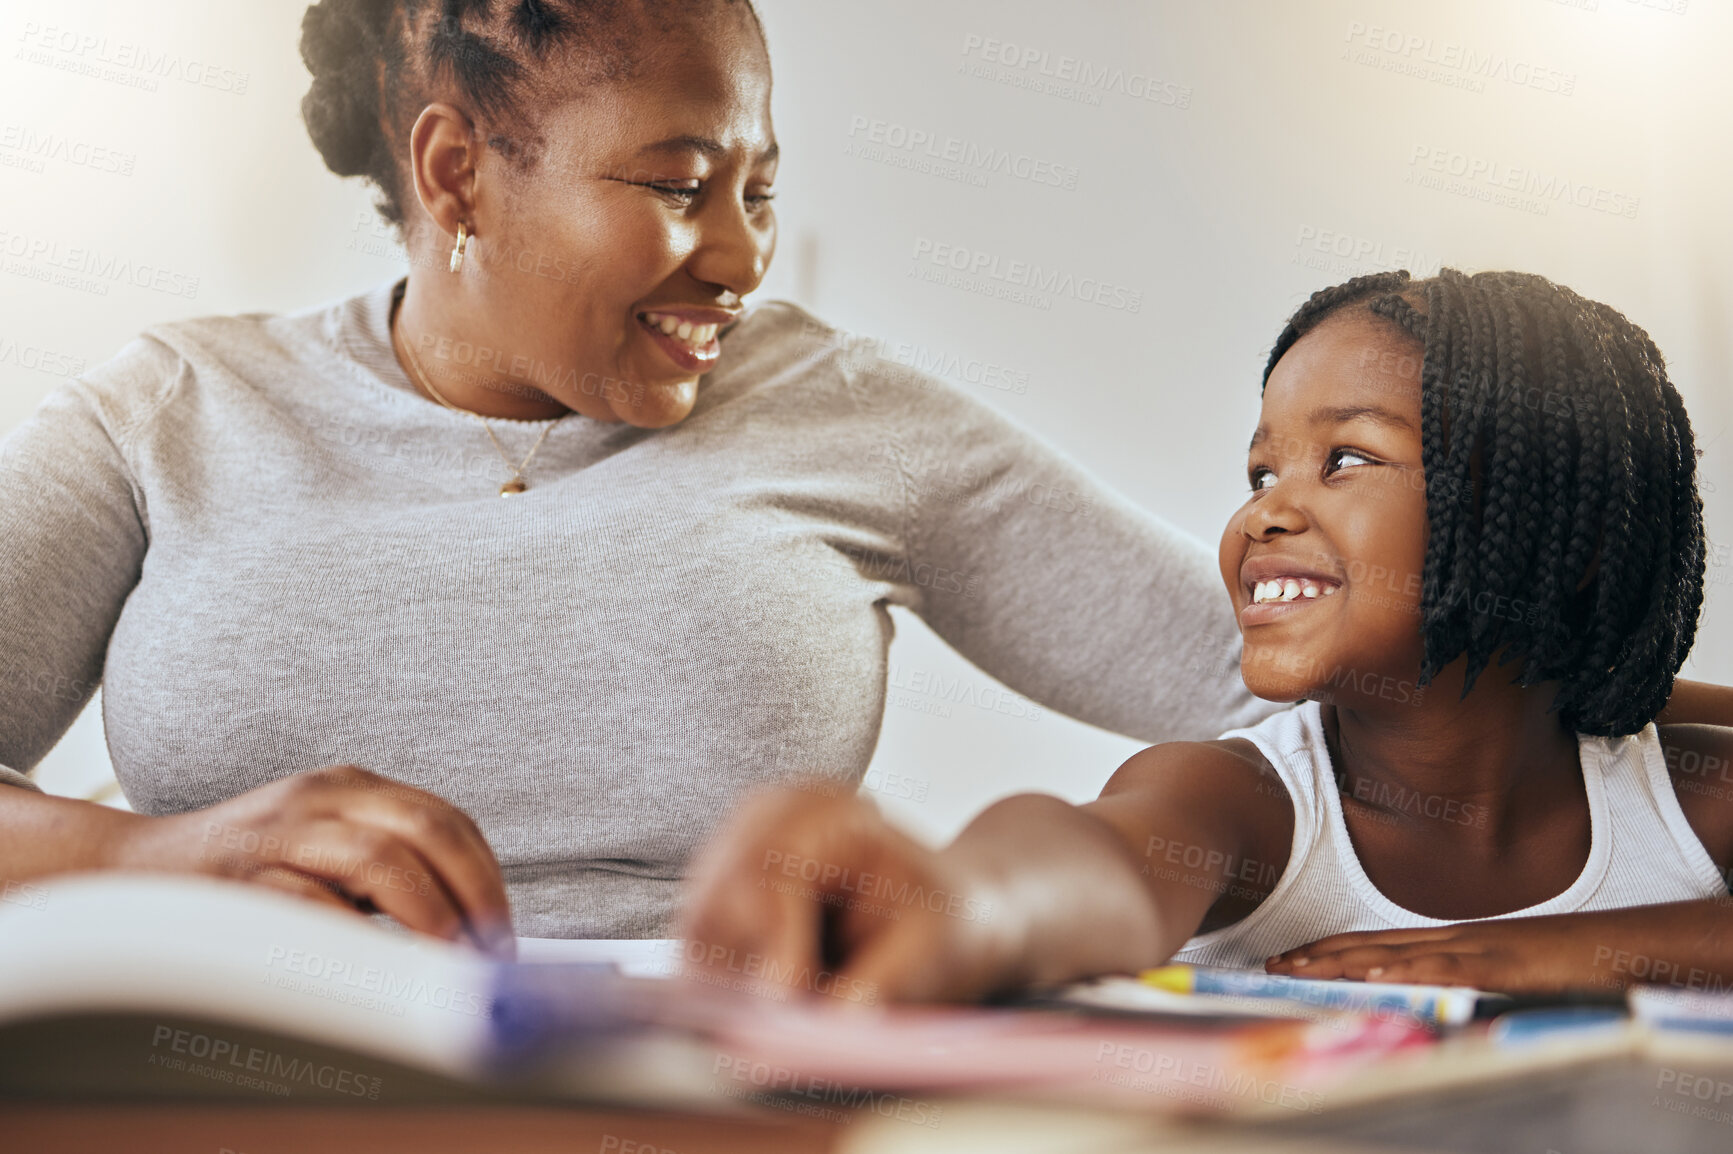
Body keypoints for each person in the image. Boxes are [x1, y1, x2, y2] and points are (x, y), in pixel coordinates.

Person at [0, 0, 1281, 950]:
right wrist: (157, 852)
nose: (739, 256)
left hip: (707, 1096)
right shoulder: (171, 411)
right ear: (457, 175)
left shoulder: (832, 405)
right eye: (676, 185)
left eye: (758, 190)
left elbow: (1289, 689)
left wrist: (1065, 877)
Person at [683, 269, 1733, 1000]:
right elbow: (1085, 862)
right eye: (1259, 471)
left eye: (1349, 459)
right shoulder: (1245, 804)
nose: (1263, 513)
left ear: (1566, 529)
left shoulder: (1674, 788)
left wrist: (1574, 951)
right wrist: (956, 902)